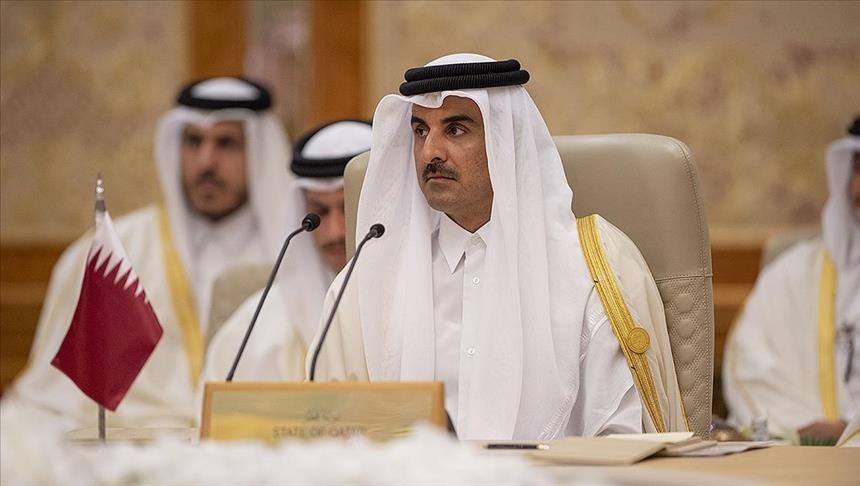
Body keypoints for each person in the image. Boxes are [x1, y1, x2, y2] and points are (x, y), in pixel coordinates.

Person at [307, 53, 687, 440]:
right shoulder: (369, 281)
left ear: (507, 141)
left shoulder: (590, 265)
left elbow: (622, 439)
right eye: (420, 131)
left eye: (456, 130)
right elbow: (328, 434)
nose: (430, 152)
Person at [7, 77, 295, 429]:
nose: (206, 161)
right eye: (193, 141)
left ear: (260, 154)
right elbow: (57, 393)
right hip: (135, 439)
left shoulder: (295, 253)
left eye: (226, 143)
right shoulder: (116, 248)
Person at [724, 114, 860, 442]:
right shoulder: (793, 272)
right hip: (806, 455)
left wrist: (849, 431)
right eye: (859, 167)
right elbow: (750, 366)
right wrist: (813, 432)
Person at [200, 119, 373, 382]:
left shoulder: (430, 302)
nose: (335, 233)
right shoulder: (258, 327)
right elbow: (215, 404)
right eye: (319, 212)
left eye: (349, 209)